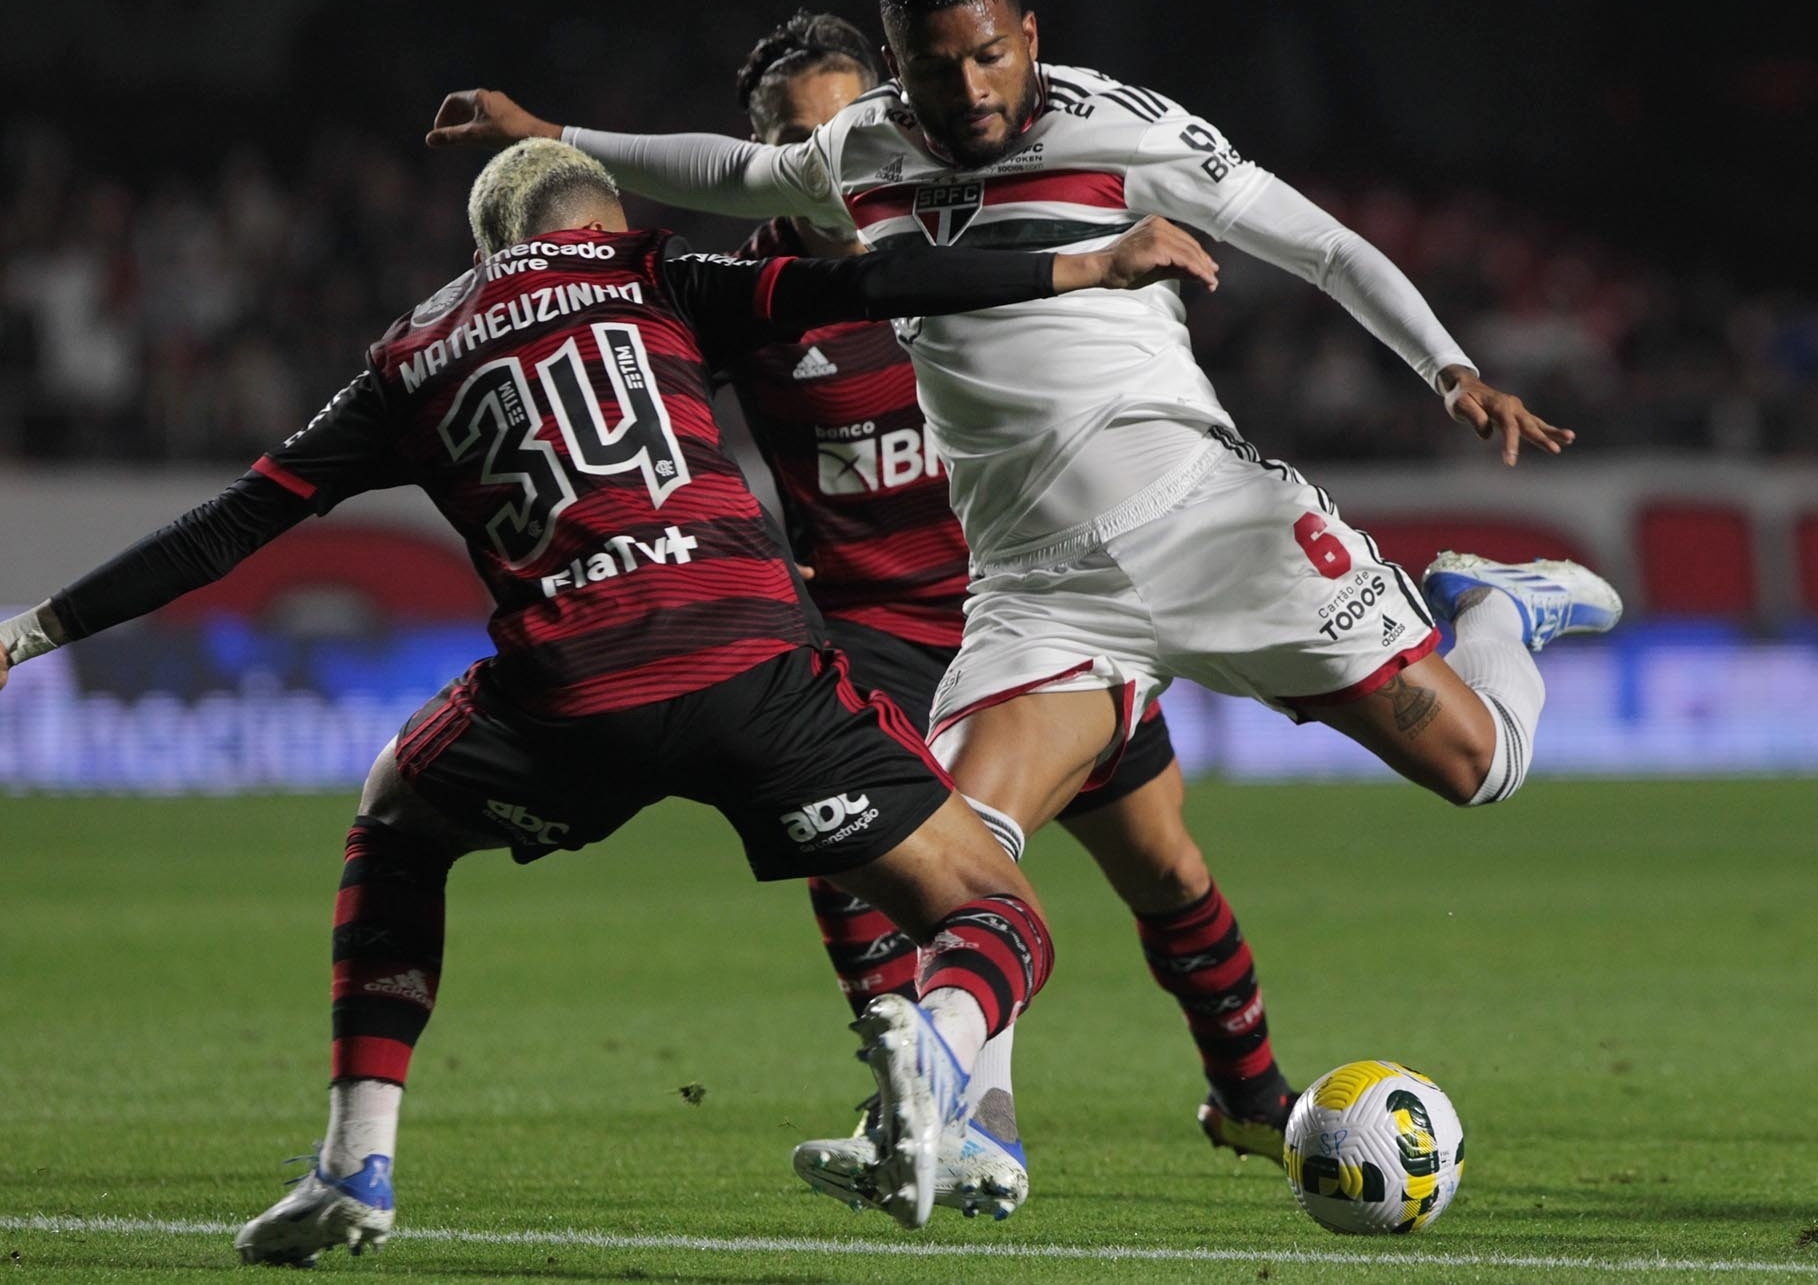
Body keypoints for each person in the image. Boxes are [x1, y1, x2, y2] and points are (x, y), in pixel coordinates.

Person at [426, 0, 1621, 1207]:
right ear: (901, 67)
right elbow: (739, 168)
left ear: (1029, 39)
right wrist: (559, 134)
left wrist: (1448, 368)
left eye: (991, 57)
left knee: (1478, 768)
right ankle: (953, 1121)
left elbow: (1320, 244)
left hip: (1206, 522)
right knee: (960, 857)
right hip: (1040, 585)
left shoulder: (1130, 133)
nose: (972, 91)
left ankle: (1494, 602)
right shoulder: (867, 147)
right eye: (940, 70)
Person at [0, 138, 1221, 1253]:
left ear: (489, 251)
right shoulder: (657, 276)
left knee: (395, 814)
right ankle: (941, 1056)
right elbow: (873, 288)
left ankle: (353, 1165)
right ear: (604, 219)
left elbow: (228, 526)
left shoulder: (410, 355)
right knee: (999, 915)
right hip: (753, 663)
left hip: (571, 692)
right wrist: (1091, 264)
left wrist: (32, 631)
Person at [717, 10, 1295, 1220]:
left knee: (1166, 868)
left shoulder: (968, 236)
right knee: (882, 857)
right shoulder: (746, 295)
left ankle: (1249, 1098)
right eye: (791, 135)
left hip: (1038, 609)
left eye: (838, 124)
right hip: (877, 633)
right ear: (761, 151)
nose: (822, 153)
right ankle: (962, 1120)